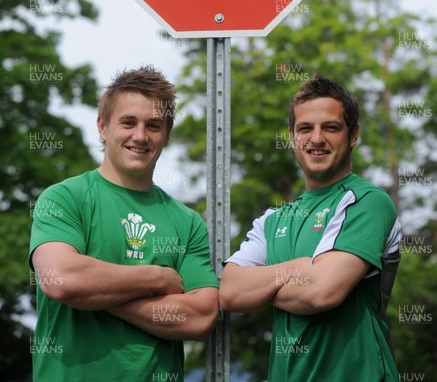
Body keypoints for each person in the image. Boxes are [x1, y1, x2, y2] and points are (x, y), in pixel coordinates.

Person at [30, 66, 219, 382]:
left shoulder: (187, 222)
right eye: (128, 122)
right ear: (103, 127)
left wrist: (95, 295)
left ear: (167, 135)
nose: (140, 136)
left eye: (154, 125)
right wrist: (156, 278)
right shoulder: (63, 198)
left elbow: (200, 318)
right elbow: (60, 279)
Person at [220, 74, 401, 381]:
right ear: (292, 136)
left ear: (353, 134)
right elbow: (229, 292)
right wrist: (299, 269)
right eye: (305, 128)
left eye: (330, 127)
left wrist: (262, 287)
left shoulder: (368, 201)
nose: (316, 139)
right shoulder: (272, 220)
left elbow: (322, 292)